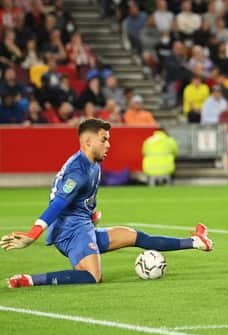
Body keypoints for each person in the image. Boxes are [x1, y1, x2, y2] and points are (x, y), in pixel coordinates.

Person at [1, 119, 213, 288]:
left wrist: (91, 214)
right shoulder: (79, 170)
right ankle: (29, 280)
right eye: (104, 139)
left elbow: (79, 198)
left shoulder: (93, 163)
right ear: (88, 142)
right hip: (71, 230)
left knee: (134, 236)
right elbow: (57, 204)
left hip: (81, 223)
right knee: (93, 276)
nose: (108, 144)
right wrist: (32, 235)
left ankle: (194, 241)